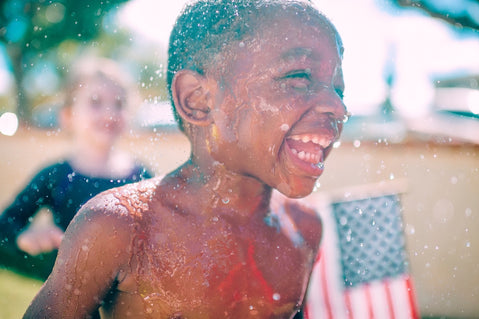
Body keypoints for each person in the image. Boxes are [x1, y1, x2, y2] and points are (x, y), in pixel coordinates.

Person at [24, 0, 348, 317]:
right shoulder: (122, 228)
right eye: (299, 76)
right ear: (198, 100)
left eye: (338, 89)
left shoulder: (304, 229)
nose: (338, 107)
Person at [0, 56, 153, 280]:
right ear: (68, 116)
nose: (109, 113)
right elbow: (6, 224)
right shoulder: (56, 176)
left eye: (119, 104)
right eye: (95, 102)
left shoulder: (141, 178)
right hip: (68, 302)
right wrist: (24, 237)